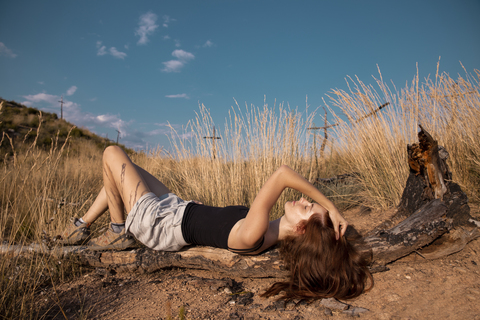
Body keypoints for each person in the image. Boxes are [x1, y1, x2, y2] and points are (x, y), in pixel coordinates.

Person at [59, 146, 373, 301]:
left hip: (158, 223)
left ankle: (118, 232)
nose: (303, 201)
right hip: (174, 209)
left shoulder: (253, 234)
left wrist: (330, 206)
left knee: (111, 153)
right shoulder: (264, 230)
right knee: (125, 170)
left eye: (308, 208)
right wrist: (328, 215)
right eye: (309, 201)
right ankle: (82, 225)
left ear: (302, 229)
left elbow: (281, 174)